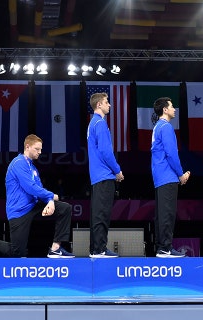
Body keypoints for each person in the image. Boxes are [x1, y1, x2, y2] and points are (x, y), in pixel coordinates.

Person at [0, 134, 74, 258]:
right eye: (37, 149)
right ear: (27, 147)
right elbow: (30, 187)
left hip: (33, 206)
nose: (40, 152)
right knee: (18, 252)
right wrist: (52, 196)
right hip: (19, 211)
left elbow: (39, 188)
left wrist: (50, 200)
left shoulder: (33, 168)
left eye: (41, 149)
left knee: (65, 208)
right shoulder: (18, 163)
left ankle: (55, 248)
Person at [151, 97, 189, 258]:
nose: (174, 109)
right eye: (172, 106)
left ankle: (162, 247)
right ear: (165, 110)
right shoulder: (166, 127)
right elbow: (171, 154)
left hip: (160, 176)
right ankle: (165, 248)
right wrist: (181, 174)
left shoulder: (158, 126)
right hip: (167, 175)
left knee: (162, 213)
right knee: (167, 213)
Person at [87, 92, 124, 258]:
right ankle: (100, 249)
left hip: (97, 176)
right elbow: (105, 151)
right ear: (99, 105)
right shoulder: (100, 123)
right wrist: (117, 170)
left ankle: (96, 248)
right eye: (107, 102)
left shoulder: (92, 123)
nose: (110, 105)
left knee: (97, 213)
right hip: (104, 175)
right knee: (102, 214)